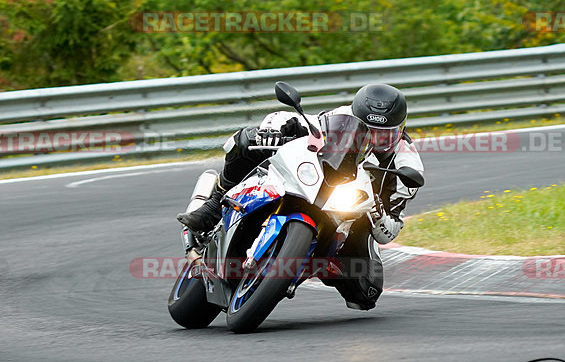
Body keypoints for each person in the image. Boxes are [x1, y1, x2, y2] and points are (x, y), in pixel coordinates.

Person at [177, 83, 424, 310]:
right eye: (368, 130)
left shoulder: (406, 165)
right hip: (317, 179)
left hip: (355, 213)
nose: (375, 138)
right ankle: (211, 207)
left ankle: (315, 264)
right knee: (246, 141)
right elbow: (300, 122)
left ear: (400, 130)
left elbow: (388, 232)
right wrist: (275, 129)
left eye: (385, 134)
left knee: (366, 292)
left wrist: (378, 213)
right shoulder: (343, 116)